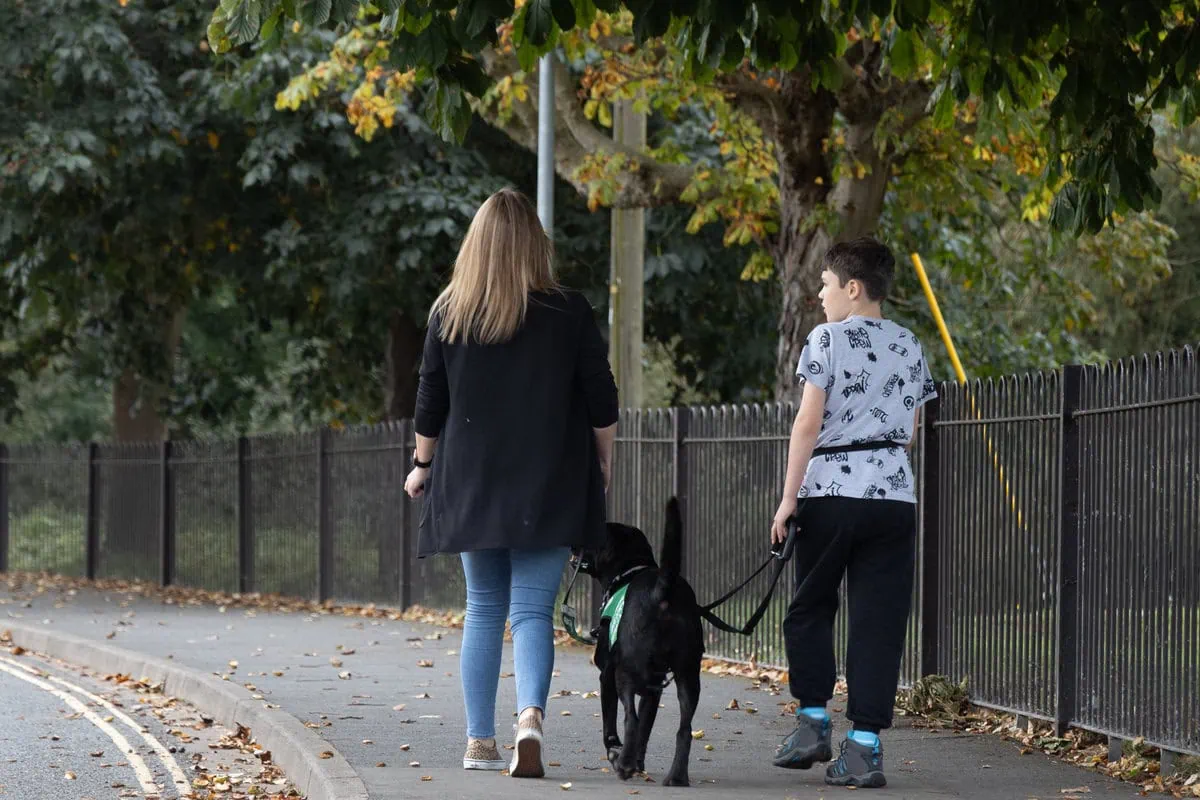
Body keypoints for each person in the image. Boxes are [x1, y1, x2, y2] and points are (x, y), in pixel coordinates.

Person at [404, 187, 619, 778]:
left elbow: (430, 400)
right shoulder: (568, 309)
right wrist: (603, 462)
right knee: (531, 610)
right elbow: (601, 396)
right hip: (550, 474)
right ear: (536, 244)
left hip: (473, 478)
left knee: (483, 607)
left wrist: (422, 466)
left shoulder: (451, 311)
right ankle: (530, 718)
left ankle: (479, 742)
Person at [769, 237, 937, 789]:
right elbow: (910, 431)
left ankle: (813, 722)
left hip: (831, 492)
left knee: (810, 607)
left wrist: (789, 498)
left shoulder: (827, 340)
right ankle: (864, 748)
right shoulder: (911, 343)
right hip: (892, 496)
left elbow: (807, 425)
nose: (820, 294)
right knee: (878, 622)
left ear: (853, 288)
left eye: (825, 284)